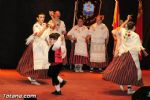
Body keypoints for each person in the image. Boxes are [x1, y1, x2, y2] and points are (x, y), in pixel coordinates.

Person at [103, 16, 148, 95]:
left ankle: (122, 83)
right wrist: (144, 51)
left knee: (122, 69)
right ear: (134, 27)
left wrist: (126, 20)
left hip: (123, 54)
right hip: (131, 56)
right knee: (131, 72)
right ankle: (129, 89)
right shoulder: (135, 35)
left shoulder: (124, 31)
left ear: (127, 26)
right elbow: (138, 45)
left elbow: (120, 28)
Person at [17, 13, 50, 85]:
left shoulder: (44, 25)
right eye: (40, 17)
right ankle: (33, 79)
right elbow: (38, 35)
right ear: (37, 18)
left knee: (42, 62)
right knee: (33, 62)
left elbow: (47, 35)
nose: (42, 19)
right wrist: (45, 28)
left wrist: (48, 42)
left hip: (43, 46)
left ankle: (34, 77)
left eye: (43, 17)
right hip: (36, 46)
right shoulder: (35, 25)